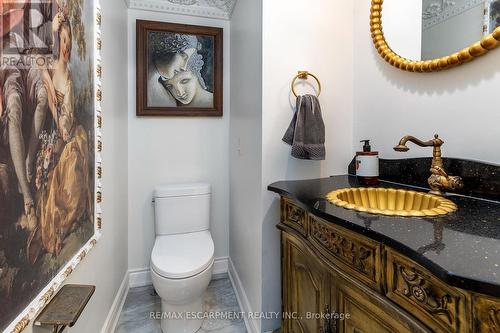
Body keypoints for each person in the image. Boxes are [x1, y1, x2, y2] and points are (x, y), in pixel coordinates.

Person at [149, 33, 213, 108]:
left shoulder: (214, 103)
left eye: (184, 81)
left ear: (196, 74)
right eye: (169, 86)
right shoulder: (168, 104)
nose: (179, 93)